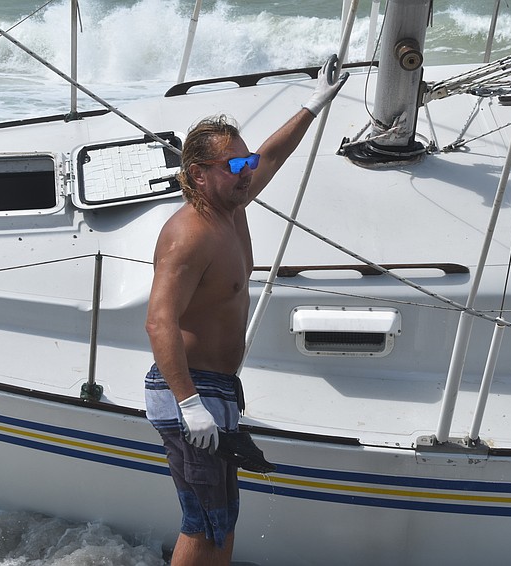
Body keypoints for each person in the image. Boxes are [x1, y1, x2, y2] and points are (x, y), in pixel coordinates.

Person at [144, 55, 348, 566]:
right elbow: (159, 321)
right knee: (204, 524)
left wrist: (310, 105)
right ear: (199, 173)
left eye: (245, 162)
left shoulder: (232, 205)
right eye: (235, 165)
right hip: (188, 389)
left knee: (222, 524)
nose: (247, 170)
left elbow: (272, 156)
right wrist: (189, 403)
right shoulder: (189, 234)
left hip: (217, 388)